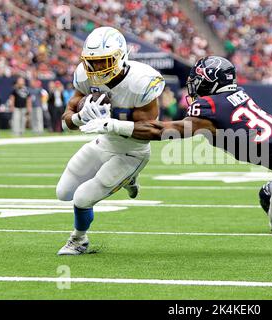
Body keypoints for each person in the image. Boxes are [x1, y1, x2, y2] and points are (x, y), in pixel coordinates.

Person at [81, 56, 272, 251]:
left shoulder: (208, 108)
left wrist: (114, 125)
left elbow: (165, 131)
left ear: (211, 82)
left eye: (199, 80)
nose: (194, 85)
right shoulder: (235, 95)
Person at [56, 26, 165, 255]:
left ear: (121, 57)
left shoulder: (141, 80)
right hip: (104, 143)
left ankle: (79, 239)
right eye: (92, 62)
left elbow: (152, 130)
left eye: (104, 61)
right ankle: (128, 181)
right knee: (63, 192)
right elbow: (65, 123)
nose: (97, 69)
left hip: (132, 152)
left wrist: (111, 123)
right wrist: (78, 116)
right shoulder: (84, 76)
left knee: (82, 198)